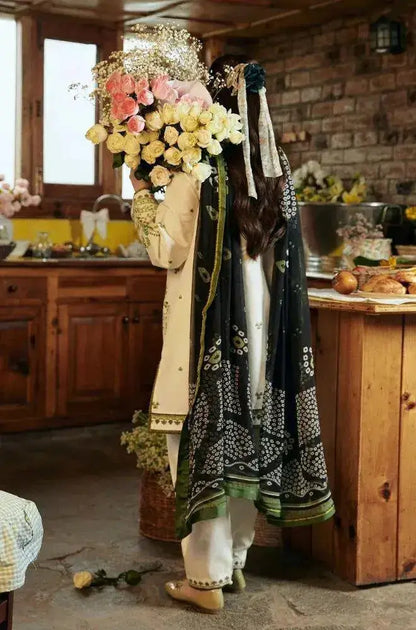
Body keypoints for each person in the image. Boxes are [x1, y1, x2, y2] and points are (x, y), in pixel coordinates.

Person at [130, 54, 335, 614]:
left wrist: (144, 195)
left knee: (198, 446)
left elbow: (165, 249)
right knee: (245, 436)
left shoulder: (194, 162)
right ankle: (233, 564)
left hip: (208, 334)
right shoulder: (274, 167)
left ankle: (205, 582)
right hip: (264, 332)